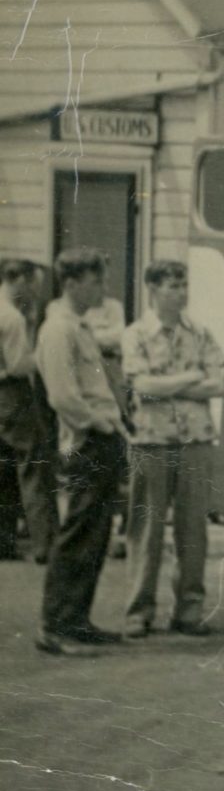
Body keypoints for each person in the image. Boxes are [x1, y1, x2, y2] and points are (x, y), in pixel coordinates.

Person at [120, 261, 224, 637]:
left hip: (195, 440)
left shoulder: (200, 332)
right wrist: (191, 377)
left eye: (184, 285)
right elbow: (141, 386)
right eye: (173, 286)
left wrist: (168, 384)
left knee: (193, 528)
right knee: (146, 528)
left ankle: (189, 609)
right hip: (152, 440)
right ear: (153, 289)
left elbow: (218, 384)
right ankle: (139, 610)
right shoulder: (136, 334)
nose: (182, 293)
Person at [32, 248, 127, 655]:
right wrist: (100, 423)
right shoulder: (58, 330)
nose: (103, 290)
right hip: (88, 439)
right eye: (96, 282)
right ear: (71, 283)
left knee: (96, 533)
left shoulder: (79, 325)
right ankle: (56, 626)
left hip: (102, 436)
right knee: (79, 533)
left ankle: (77, 619)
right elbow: (62, 395)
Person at [0, 259, 58, 564]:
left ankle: (4, 541)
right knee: (33, 463)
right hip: (12, 394)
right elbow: (19, 364)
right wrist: (44, 354)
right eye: (33, 283)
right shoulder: (12, 318)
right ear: (18, 279)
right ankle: (45, 544)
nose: (36, 291)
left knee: (4, 468)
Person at [83, 288, 130, 560]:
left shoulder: (113, 305)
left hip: (113, 372)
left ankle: (121, 528)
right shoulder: (77, 312)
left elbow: (119, 335)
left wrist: (93, 337)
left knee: (120, 451)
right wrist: (101, 339)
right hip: (92, 378)